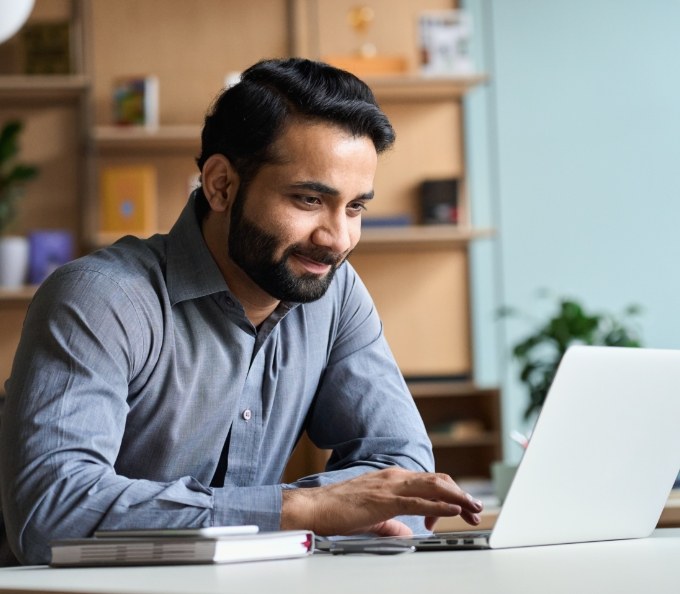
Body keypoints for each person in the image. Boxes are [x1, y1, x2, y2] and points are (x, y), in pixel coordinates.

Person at [0, 58, 482, 565]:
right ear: (221, 185)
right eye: (308, 199)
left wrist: (328, 509)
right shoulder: (101, 298)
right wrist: (299, 509)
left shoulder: (335, 293)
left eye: (355, 207)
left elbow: (403, 471)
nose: (337, 239)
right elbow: (50, 514)